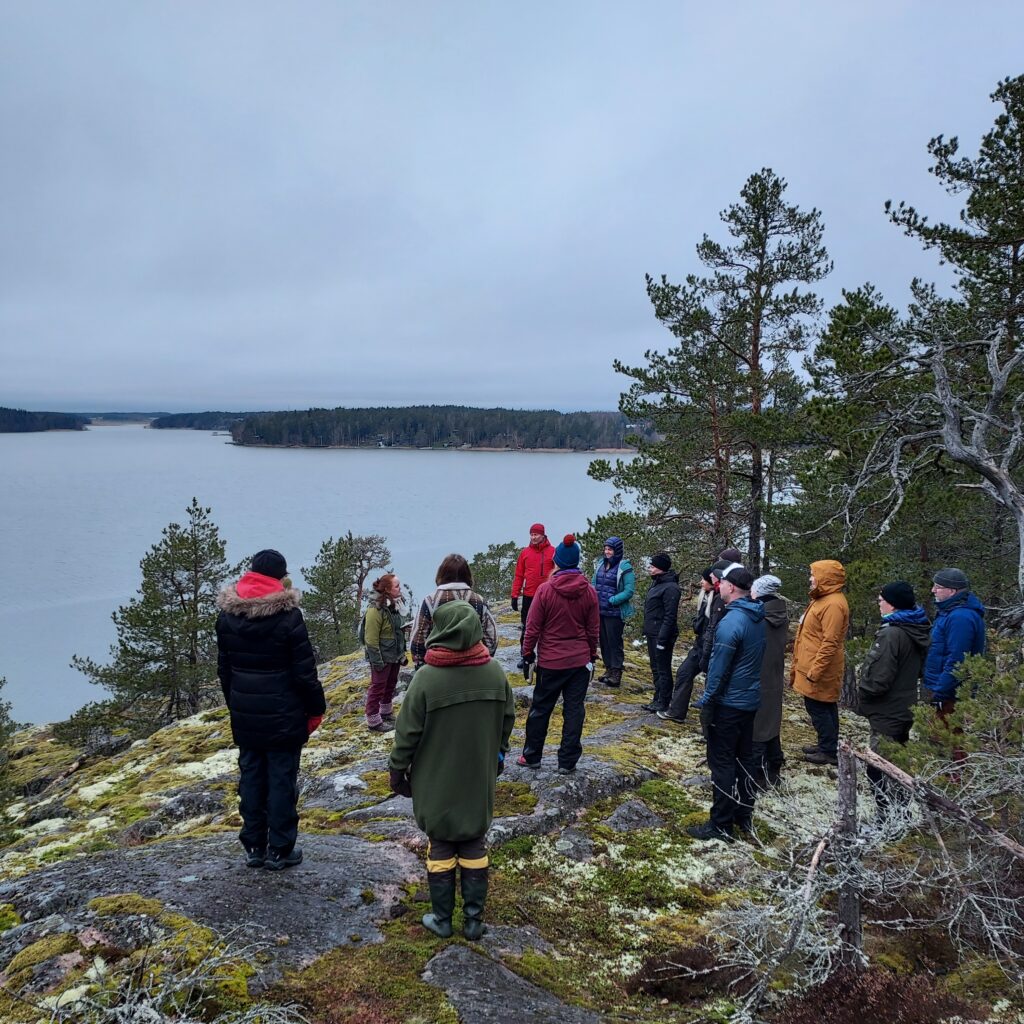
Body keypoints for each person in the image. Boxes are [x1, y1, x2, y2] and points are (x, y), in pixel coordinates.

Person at [389, 601, 515, 940]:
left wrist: (397, 771)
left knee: (441, 843)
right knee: (474, 841)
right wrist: (498, 755)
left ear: (439, 631)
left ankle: (442, 920)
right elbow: (508, 720)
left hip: (435, 780)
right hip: (479, 776)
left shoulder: (426, 679)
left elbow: (406, 734)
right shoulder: (494, 673)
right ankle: (474, 921)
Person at [216, 549, 326, 871]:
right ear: (279, 577)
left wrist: (236, 703)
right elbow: (304, 673)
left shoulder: (227, 616)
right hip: (284, 714)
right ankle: (279, 850)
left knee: (251, 776)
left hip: (245, 712)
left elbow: (225, 670)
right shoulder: (289, 617)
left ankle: (253, 847)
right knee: (281, 779)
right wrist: (316, 709)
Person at [687, 565, 766, 842]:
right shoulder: (757, 617)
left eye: (722, 583)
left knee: (722, 763)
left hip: (729, 704)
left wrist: (707, 701)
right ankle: (743, 816)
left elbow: (718, 667)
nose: (717, 585)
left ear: (731, 588)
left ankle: (720, 825)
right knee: (745, 760)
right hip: (749, 701)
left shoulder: (732, 621)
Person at [518, 534, 600, 773]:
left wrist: (527, 654)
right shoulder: (589, 591)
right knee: (574, 710)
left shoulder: (545, 591)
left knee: (541, 709)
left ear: (557, 562)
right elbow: (593, 629)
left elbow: (532, 627)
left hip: (551, 661)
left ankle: (532, 755)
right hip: (579, 662)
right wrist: (591, 654)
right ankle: (567, 761)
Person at [857, 581, 930, 814]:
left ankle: (888, 820)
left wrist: (864, 692)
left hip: (888, 710)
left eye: (882, 598)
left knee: (879, 767)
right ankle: (899, 813)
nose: (879, 602)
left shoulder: (892, 633)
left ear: (893, 604)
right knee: (897, 763)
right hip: (905, 705)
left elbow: (879, 678)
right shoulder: (916, 628)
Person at [791, 559, 850, 767]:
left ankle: (828, 751)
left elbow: (830, 642)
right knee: (823, 705)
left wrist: (816, 670)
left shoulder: (833, 603)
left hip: (822, 667)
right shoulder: (823, 599)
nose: (810, 578)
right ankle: (827, 745)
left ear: (825, 578)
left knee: (819, 706)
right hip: (814, 663)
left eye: (813, 574)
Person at [409, 554, 498, 670]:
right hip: (473, 667)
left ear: (441, 574)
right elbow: (491, 639)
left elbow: (417, 640)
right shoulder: (479, 601)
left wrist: (422, 668)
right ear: (467, 575)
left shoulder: (430, 601)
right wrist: (482, 659)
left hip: (438, 668)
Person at [922, 567, 985, 717]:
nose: (933, 590)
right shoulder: (949, 613)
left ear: (952, 591)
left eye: (938, 587)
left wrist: (940, 692)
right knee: (937, 736)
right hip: (943, 690)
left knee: (945, 737)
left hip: (950, 695)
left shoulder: (960, 617)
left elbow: (958, 660)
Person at [658, 568, 714, 724]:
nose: (701, 582)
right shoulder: (705, 598)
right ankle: (676, 712)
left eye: (704, 580)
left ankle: (710, 726)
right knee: (684, 672)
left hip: (711, 648)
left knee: (712, 684)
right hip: (700, 645)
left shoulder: (718, 602)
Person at [749, 574, 789, 788]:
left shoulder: (760, 617)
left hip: (758, 675)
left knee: (758, 726)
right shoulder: (779, 612)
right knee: (770, 723)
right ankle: (774, 767)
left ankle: (758, 775)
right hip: (773, 674)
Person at [362, 572, 408, 733]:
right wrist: (377, 661)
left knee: (391, 684)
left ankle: (386, 713)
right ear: (387, 589)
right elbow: (370, 638)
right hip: (382, 655)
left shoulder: (394, 605)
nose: (399, 588)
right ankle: (373, 721)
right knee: (378, 686)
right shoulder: (375, 609)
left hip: (394, 654)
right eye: (397, 586)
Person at [591, 536, 635, 687]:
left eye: (610, 549)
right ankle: (608, 669)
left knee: (614, 642)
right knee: (604, 642)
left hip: (615, 613)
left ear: (617, 551)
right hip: (600, 611)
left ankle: (616, 672)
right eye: (606, 549)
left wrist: (613, 600)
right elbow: (594, 584)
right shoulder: (600, 565)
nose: (607, 552)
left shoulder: (625, 567)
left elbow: (629, 590)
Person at [641, 552, 681, 714]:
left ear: (661, 568)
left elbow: (670, 616)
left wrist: (662, 639)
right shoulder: (657, 583)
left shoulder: (671, 588)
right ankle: (657, 698)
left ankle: (664, 701)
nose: (650, 569)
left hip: (662, 635)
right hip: (653, 632)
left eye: (652, 566)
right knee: (655, 667)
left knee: (662, 668)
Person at [510, 524, 556, 664]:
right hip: (529, 596)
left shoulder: (553, 551)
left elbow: (558, 573)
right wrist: (514, 594)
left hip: (547, 596)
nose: (533, 537)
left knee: (548, 627)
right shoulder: (525, 553)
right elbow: (518, 575)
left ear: (543, 535)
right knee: (527, 627)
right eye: (531, 534)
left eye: (536, 534)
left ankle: (548, 656)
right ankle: (526, 656)